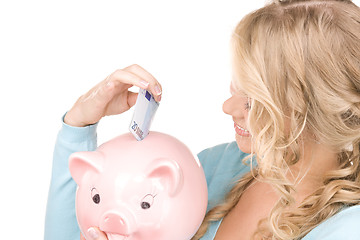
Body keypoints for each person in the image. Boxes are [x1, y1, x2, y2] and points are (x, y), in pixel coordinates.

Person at [45, 0, 360, 239]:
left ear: (313, 110)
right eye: (235, 85)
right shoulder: (216, 167)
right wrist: (79, 125)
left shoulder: (346, 228)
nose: (227, 106)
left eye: (251, 101)